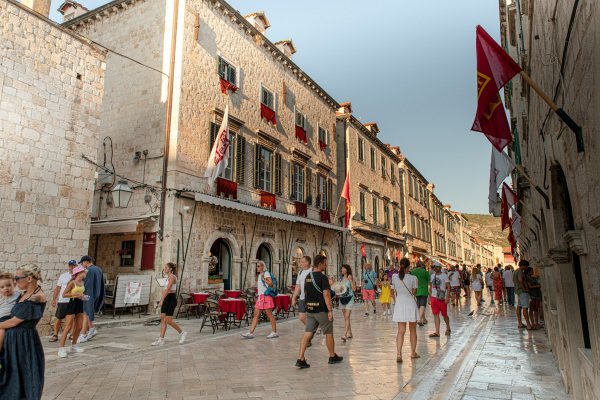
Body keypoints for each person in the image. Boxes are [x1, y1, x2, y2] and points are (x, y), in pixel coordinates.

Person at [0, 264, 47, 400]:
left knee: (26, 374)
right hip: (13, 342)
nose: (15, 282)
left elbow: (13, 322)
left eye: (17, 278)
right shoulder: (22, 294)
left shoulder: (36, 297)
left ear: (29, 279)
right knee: (12, 375)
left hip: (25, 342)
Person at [295, 254, 342, 368]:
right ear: (320, 264)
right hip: (321, 310)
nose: (326, 266)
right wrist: (330, 310)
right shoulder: (322, 277)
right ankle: (332, 356)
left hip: (310, 310)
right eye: (325, 263)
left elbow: (305, 293)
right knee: (329, 332)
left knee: (307, 333)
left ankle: (300, 358)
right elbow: (326, 295)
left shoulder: (307, 276)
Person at [152, 263, 187, 345]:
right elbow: (165, 290)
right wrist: (163, 299)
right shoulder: (167, 277)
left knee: (168, 320)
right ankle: (161, 338)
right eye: (165, 267)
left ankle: (182, 332)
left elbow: (168, 289)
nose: (165, 269)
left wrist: (160, 301)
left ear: (171, 269)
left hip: (171, 298)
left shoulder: (173, 277)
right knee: (163, 319)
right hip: (167, 298)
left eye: (166, 267)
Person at [58, 265, 89, 357]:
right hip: (72, 303)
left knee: (79, 326)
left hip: (80, 303)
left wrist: (84, 296)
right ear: (79, 273)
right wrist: (75, 294)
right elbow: (64, 294)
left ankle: (74, 345)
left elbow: (81, 293)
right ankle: (61, 348)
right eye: (83, 272)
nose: (85, 274)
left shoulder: (83, 283)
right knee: (68, 326)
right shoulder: (72, 283)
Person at [392, 260, 419, 362]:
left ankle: (399, 354)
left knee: (400, 331)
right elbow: (414, 292)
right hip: (410, 302)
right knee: (413, 330)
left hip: (400, 303)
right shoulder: (413, 278)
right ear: (409, 267)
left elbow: (394, 289)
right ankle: (413, 352)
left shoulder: (395, 277)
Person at [242, 261, 278, 339]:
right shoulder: (259, 275)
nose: (257, 267)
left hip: (265, 296)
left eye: (258, 266)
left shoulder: (266, 273)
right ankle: (250, 333)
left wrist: (263, 279)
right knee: (256, 315)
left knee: (269, 315)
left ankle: (274, 332)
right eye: (256, 266)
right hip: (260, 297)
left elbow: (271, 283)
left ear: (262, 266)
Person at [78, 256, 105, 343]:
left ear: (86, 262)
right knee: (88, 313)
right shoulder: (98, 269)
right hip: (96, 294)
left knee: (85, 313)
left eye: (82, 263)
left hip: (89, 294)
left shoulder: (89, 271)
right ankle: (92, 329)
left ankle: (83, 335)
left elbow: (87, 285)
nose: (82, 265)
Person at [49, 260, 77, 343]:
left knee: (73, 318)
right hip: (63, 300)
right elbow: (58, 288)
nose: (72, 267)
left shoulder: (78, 276)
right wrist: (54, 299)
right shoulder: (63, 276)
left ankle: (72, 333)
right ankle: (55, 334)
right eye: (70, 266)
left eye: (73, 266)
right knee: (59, 317)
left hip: (72, 300)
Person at [291, 256, 313, 346]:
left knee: (312, 317)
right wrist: (293, 298)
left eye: (303, 262)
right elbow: (297, 286)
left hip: (311, 298)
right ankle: (312, 330)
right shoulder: (300, 273)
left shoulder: (313, 271)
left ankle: (308, 337)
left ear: (307, 263)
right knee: (301, 317)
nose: (301, 263)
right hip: (302, 298)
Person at [0, 272, 20, 357]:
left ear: (14, 284)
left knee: (1, 332)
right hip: (1, 319)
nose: (6, 288)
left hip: (11, 318)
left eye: (8, 285)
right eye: (2, 287)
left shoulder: (18, 295)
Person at [428, 262, 451, 337]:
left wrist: (447, 297)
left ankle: (448, 327)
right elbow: (431, 287)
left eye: (437, 267)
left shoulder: (444, 275)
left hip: (442, 297)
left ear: (440, 267)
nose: (435, 268)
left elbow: (448, 286)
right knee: (435, 314)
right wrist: (429, 297)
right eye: (434, 267)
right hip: (434, 297)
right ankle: (437, 331)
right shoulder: (432, 276)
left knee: (444, 315)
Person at [514, 260, 533, 330]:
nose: (527, 267)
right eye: (526, 266)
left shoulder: (516, 271)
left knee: (519, 306)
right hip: (522, 291)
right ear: (523, 265)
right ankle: (528, 324)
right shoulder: (520, 272)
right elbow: (520, 280)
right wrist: (524, 288)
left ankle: (520, 323)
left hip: (518, 291)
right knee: (525, 307)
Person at [339, 264, 356, 342]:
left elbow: (354, 289)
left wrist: (350, 280)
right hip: (342, 299)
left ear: (347, 269)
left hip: (350, 299)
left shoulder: (351, 278)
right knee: (346, 317)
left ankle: (345, 334)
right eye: (342, 268)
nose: (342, 269)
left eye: (343, 268)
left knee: (347, 316)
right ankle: (350, 333)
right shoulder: (340, 278)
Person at [410, 260, 429, 326]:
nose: (424, 266)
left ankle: (424, 319)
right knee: (422, 305)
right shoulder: (425, 272)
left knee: (419, 305)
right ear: (421, 265)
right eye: (423, 265)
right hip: (424, 290)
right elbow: (429, 281)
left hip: (416, 290)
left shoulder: (412, 271)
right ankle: (419, 319)